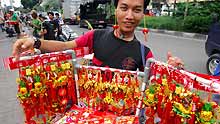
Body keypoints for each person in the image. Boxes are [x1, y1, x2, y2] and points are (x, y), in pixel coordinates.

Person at [12, 0, 183, 70]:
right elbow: (64, 46)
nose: (130, 16)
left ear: (142, 14)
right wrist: (35, 42)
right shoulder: (96, 36)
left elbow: (153, 81)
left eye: (137, 10)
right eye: (124, 8)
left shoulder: (144, 54)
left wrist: (171, 69)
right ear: (116, 9)